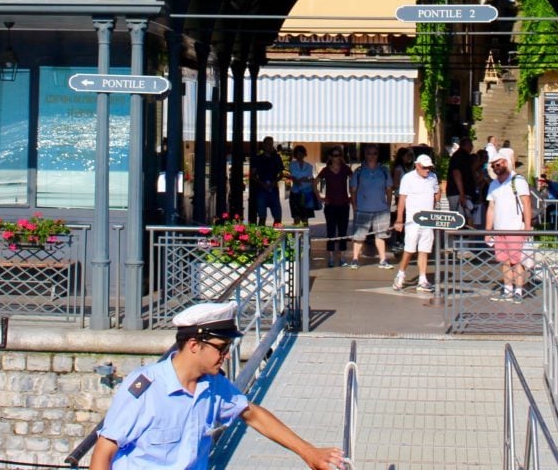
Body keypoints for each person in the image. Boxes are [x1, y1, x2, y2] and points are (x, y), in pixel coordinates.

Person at [90, 301, 344, 470]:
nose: (227, 356)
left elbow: (251, 413)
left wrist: (308, 452)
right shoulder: (146, 387)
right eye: (221, 349)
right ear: (193, 345)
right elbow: (104, 451)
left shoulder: (213, 385)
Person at [485, 152, 533, 303]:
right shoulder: (493, 184)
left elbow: (527, 203)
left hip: (514, 228)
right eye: (493, 166)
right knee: (504, 261)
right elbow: (491, 207)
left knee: (516, 261)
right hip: (500, 229)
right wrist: (488, 231)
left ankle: (518, 291)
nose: (495, 168)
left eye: (498, 164)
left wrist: (527, 227)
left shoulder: (517, 180)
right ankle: (507, 290)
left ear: (505, 162)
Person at [391, 153, 440, 293]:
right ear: (417, 166)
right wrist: (399, 219)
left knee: (424, 250)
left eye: (429, 167)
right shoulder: (408, 178)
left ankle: (423, 279)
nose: (427, 170)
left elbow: (437, 192)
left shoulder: (433, 177)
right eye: (424, 167)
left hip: (428, 220)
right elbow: (402, 199)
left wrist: (435, 203)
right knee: (409, 250)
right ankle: (400, 274)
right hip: (413, 220)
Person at [348, 145, 394, 269]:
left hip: (381, 209)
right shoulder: (359, 171)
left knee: (381, 236)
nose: (371, 156)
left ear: (377, 155)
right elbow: (353, 190)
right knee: (359, 236)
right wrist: (355, 206)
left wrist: (388, 206)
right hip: (363, 208)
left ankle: (383, 259)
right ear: (365, 154)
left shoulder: (384, 171)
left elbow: (389, 189)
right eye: (369, 153)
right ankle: (355, 259)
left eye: (374, 153)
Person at [318, 146, 352, 268]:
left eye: (339, 155)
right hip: (331, 205)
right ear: (330, 157)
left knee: (343, 231)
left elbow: (353, 183)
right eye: (335, 155)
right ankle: (331, 257)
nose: (338, 158)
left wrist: (351, 197)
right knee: (331, 231)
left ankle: (342, 257)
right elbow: (314, 182)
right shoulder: (326, 170)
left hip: (344, 204)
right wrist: (320, 198)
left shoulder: (345, 169)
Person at [250, 137, 285, 226]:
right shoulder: (258, 158)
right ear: (263, 145)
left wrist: (274, 182)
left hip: (273, 189)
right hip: (261, 189)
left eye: (271, 144)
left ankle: (276, 236)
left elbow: (281, 174)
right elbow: (253, 174)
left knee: (278, 216)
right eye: (268, 144)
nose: (270, 146)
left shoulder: (276, 158)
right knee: (262, 216)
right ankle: (261, 237)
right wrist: (261, 183)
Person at [446, 136, 478, 220]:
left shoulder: (464, 156)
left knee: (466, 219)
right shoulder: (460, 156)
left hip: (462, 193)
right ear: (466, 145)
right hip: (458, 193)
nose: (472, 147)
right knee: (459, 220)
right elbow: (456, 173)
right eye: (471, 145)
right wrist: (462, 193)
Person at [288, 145, 318, 227]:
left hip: (306, 193)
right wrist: (302, 179)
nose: (300, 155)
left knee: (305, 218)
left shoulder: (309, 166)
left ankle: (305, 237)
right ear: (295, 154)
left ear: (304, 154)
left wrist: (301, 179)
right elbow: (293, 176)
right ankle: (295, 238)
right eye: (298, 153)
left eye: (301, 153)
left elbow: (311, 178)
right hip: (295, 193)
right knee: (296, 217)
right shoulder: (292, 165)